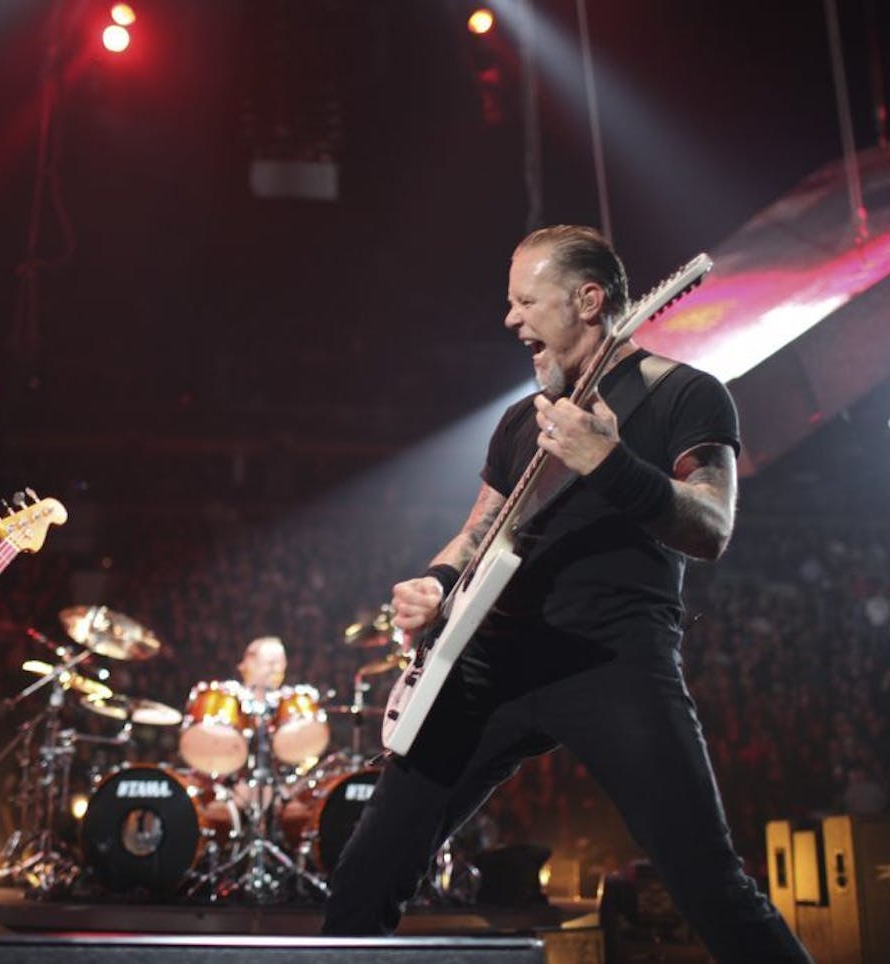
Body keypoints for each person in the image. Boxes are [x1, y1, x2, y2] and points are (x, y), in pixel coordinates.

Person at [323, 226, 812, 963]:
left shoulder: (685, 394)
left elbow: (711, 526)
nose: (510, 320)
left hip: (613, 662)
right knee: (365, 877)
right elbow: (475, 535)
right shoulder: (522, 421)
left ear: (589, 301)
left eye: (526, 301)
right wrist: (433, 584)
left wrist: (611, 463)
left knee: (706, 882)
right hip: (488, 666)